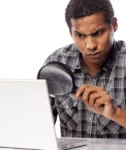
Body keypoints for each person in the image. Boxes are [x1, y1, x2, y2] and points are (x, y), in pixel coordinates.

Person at [42, 0, 126, 138]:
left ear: (114, 25)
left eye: (98, 33)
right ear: (70, 32)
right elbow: (38, 127)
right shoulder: (57, 63)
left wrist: (116, 114)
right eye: (80, 35)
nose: (90, 45)